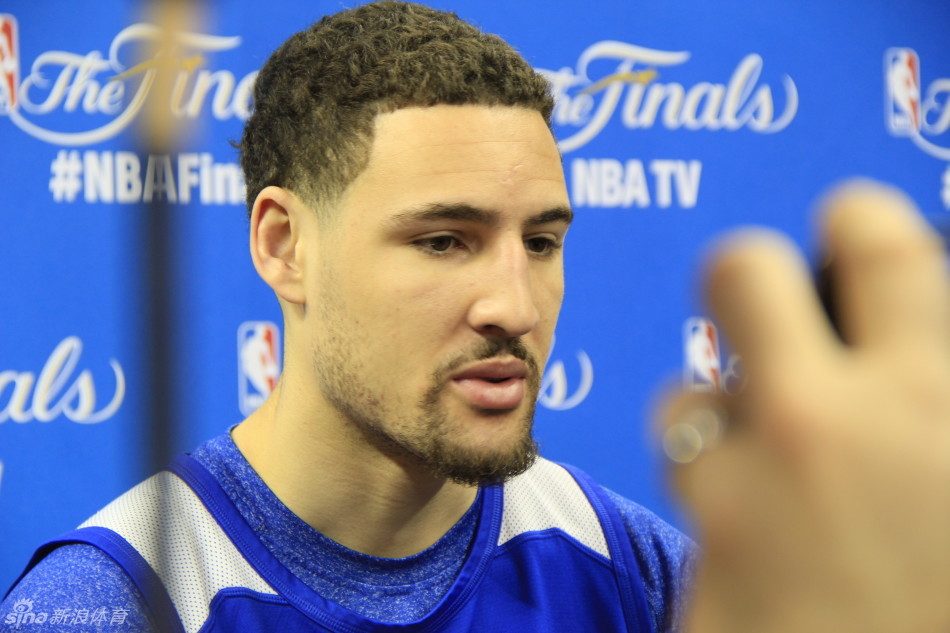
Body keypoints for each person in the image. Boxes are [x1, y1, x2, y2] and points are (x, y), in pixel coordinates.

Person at [2, 3, 693, 632]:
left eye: (540, 243)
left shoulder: (639, 573)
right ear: (285, 246)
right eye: (443, 241)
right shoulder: (111, 604)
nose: (516, 307)